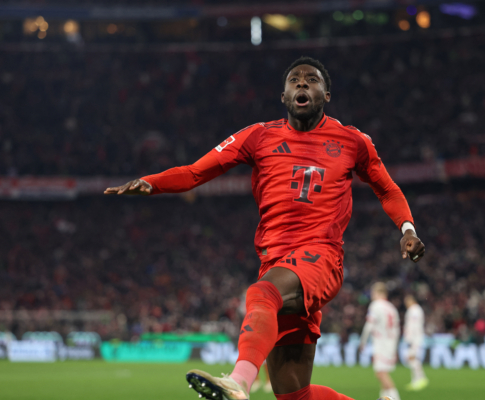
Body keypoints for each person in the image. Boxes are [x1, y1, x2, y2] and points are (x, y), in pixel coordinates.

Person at [105, 56, 425, 400]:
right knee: (292, 394)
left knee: (262, 293)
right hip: (277, 261)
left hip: (321, 258)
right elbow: (195, 172)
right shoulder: (259, 136)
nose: (302, 83)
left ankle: (238, 382)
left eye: (312, 80)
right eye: (295, 80)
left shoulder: (352, 141)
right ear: (284, 96)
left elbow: (387, 188)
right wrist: (151, 183)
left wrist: (407, 228)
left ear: (326, 95)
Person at [360, 283, 401, 400]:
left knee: (381, 373)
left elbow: (369, 325)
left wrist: (362, 341)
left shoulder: (375, 305)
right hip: (391, 344)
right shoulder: (392, 308)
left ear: (379, 293)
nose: (372, 296)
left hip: (381, 343)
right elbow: (397, 330)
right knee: (382, 373)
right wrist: (395, 347)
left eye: (373, 293)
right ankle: (384, 398)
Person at [403, 295, 428, 391]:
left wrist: (410, 339)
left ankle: (420, 379)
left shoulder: (414, 310)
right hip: (415, 338)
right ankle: (417, 379)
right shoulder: (417, 310)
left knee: (412, 358)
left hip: (414, 339)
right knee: (412, 359)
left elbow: (413, 326)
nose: (406, 304)